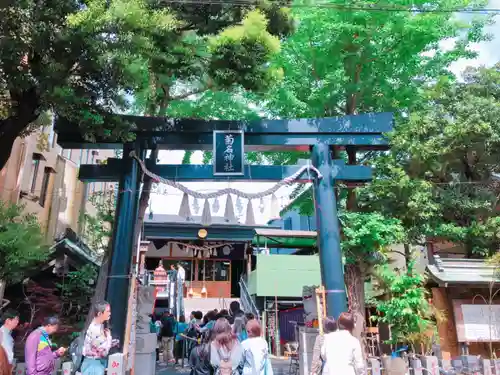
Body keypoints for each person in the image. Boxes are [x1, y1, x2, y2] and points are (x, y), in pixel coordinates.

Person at [82, 301, 118, 375]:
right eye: (107, 312)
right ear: (99, 314)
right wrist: (109, 337)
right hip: (94, 366)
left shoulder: (97, 325)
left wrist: (112, 342)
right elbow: (103, 353)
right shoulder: (96, 331)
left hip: (93, 363)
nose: (110, 313)